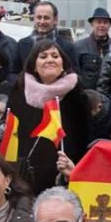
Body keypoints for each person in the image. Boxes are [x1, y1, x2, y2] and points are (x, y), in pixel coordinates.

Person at [7, 39, 91, 194]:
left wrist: (75, 168)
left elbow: (84, 134)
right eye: (43, 56)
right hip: (28, 169)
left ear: (63, 63)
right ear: (34, 65)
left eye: (55, 56)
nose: (50, 60)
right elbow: (10, 123)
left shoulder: (76, 91)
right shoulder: (19, 89)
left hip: (64, 169)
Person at [16, 1, 78, 80]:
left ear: (55, 20)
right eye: (39, 17)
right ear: (34, 18)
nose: (42, 22)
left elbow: (74, 75)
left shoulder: (68, 47)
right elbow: (15, 73)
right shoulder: (22, 44)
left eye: (46, 18)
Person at [74, 7, 111, 90]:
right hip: (87, 97)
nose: (102, 25)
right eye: (99, 22)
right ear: (92, 24)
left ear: (109, 25)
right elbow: (74, 74)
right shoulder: (78, 46)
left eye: (105, 22)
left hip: (110, 96)